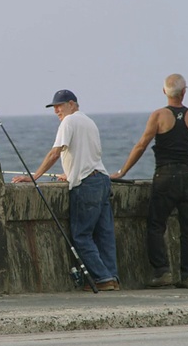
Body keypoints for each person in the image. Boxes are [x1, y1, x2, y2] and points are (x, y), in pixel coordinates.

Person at [12, 89, 119, 291]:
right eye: (54, 107)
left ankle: (102, 278)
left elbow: (55, 152)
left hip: (86, 184)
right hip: (102, 180)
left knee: (81, 235)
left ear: (72, 103)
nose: (56, 111)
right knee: (104, 235)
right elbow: (86, 155)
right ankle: (112, 278)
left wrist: (35, 176)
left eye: (59, 106)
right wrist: (70, 173)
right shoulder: (89, 122)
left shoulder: (68, 122)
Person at [110, 73, 188, 289]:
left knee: (156, 225)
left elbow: (141, 145)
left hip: (165, 176)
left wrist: (122, 171)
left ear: (164, 92)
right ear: (184, 92)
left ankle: (162, 271)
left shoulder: (159, 115)